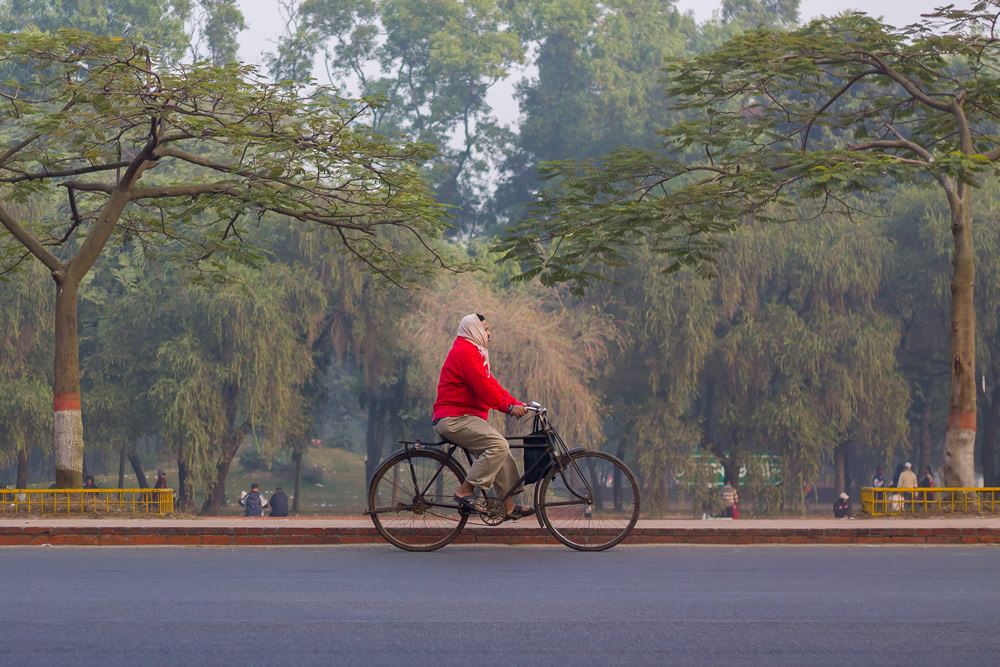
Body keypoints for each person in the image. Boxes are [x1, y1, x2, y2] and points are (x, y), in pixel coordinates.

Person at [432, 313, 533, 521]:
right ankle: (465, 491)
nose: (489, 333)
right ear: (474, 330)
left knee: (502, 450)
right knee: (498, 445)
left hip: (464, 417)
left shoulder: (475, 352)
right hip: (454, 419)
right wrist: (507, 408)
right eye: (485, 329)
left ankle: (507, 504)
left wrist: (516, 403)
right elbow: (483, 388)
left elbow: (491, 383)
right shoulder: (465, 352)